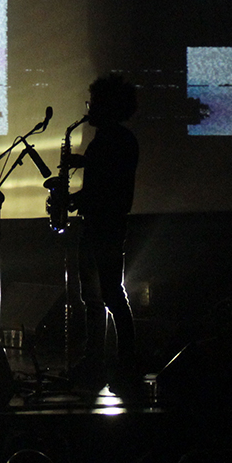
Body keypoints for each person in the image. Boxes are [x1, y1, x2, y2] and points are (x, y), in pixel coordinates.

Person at [66, 73, 139, 384]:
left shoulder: (114, 141)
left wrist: (75, 198)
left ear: (107, 106)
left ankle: (121, 361)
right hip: (99, 224)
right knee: (97, 297)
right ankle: (101, 360)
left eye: (93, 103)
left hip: (105, 225)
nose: (89, 109)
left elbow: (108, 188)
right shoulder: (114, 140)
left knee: (108, 295)